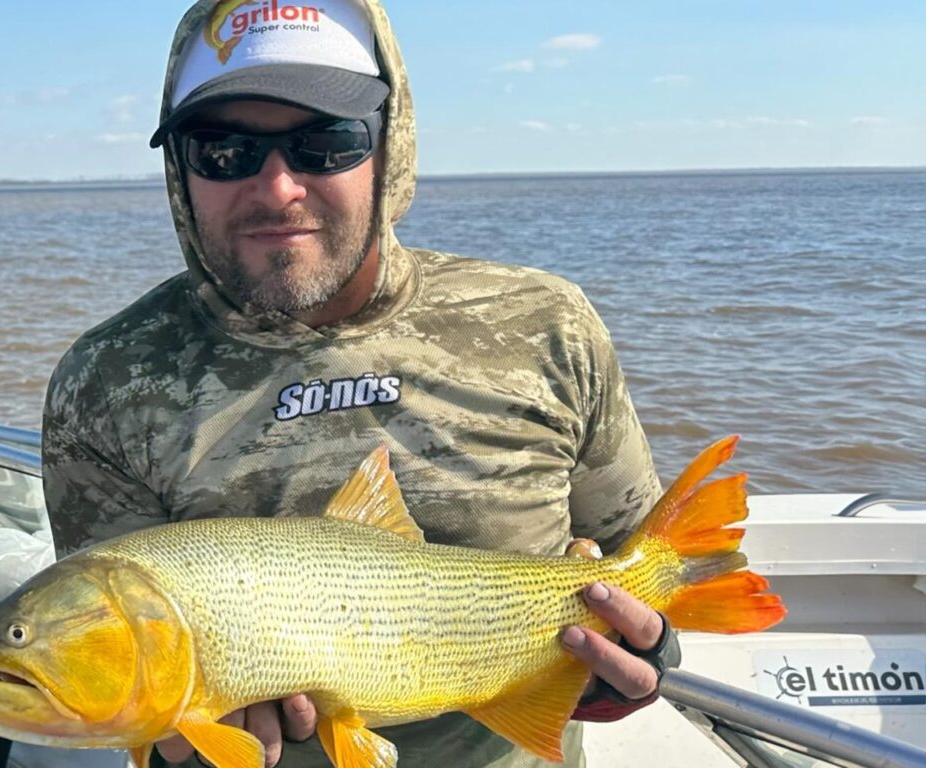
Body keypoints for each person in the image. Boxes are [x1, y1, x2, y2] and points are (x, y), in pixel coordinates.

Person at [42, 1, 674, 765]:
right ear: (179, 169)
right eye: (222, 150)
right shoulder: (106, 383)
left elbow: (634, 554)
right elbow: (118, 680)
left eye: (326, 143)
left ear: (390, 145)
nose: (277, 189)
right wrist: (182, 746)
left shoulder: (547, 324)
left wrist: (634, 660)